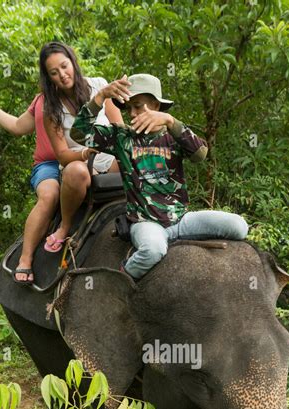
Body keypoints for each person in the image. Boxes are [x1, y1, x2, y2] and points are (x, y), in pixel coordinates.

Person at [70, 73, 249, 281]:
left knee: (239, 226)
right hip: (145, 223)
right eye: (129, 108)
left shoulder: (173, 136)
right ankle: (118, 280)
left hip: (180, 220)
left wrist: (171, 121)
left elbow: (200, 154)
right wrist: (100, 97)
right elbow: (78, 134)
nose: (132, 113)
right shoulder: (121, 137)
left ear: (155, 105)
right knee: (153, 251)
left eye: (138, 106)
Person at [40, 42, 123, 253]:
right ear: (49, 77)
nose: (63, 75)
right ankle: (65, 226)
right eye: (54, 72)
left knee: (137, 158)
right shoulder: (51, 109)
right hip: (79, 164)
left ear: (73, 62)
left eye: (65, 66)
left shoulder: (99, 86)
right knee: (77, 171)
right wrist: (85, 153)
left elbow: (119, 129)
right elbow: (62, 156)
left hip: (110, 160)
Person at [0, 82, 60, 283]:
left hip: (81, 160)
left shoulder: (84, 94)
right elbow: (17, 126)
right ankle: (25, 258)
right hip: (49, 165)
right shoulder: (41, 100)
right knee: (49, 195)